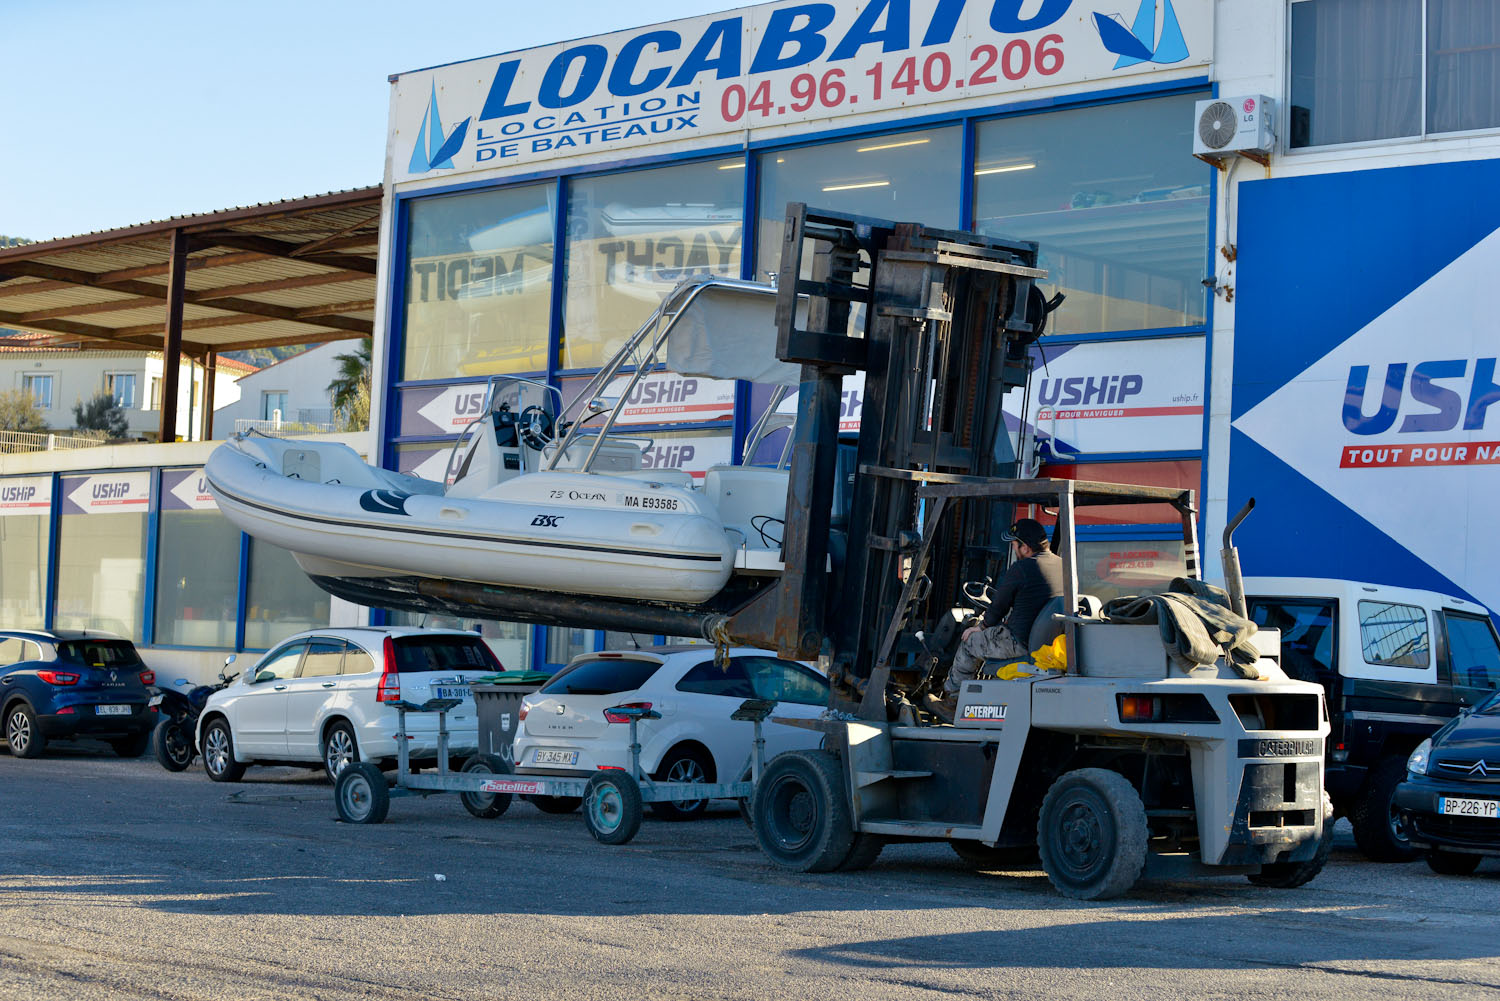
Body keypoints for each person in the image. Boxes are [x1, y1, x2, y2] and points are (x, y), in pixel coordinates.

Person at [924, 518, 1064, 722]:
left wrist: (980, 626)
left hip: (1019, 642)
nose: (1013, 549)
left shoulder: (1023, 568)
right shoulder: (1062, 565)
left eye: (1014, 545)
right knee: (986, 637)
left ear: (1025, 547)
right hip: (1047, 643)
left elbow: (999, 606)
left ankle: (953, 702)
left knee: (969, 642)